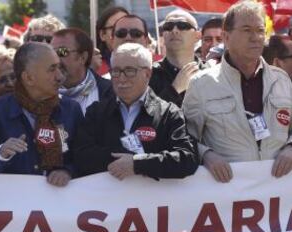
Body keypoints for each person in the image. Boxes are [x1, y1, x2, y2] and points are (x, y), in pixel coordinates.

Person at [183, 1, 292, 183]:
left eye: (259, 30)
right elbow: (184, 138)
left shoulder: (281, 80)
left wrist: (290, 148)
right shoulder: (201, 84)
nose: (256, 37)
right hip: (228, 196)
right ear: (226, 37)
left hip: (277, 196)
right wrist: (206, 155)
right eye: (247, 30)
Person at [74, 43, 198, 180]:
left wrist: (138, 163)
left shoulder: (169, 113)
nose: (121, 78)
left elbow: (187, 159)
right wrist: (123, 159)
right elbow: (81, 155)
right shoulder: (96, 112)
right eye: (115, 71)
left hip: (151, 200)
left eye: (129, 71)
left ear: (147, 74)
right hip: (106, 199)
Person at [0, 42, 83, 187]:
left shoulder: (71, 109)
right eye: (52, 69)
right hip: (13, 205)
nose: (60, 76)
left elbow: (84, 159)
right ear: (28, 78)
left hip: (60, 205)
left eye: (59, 67)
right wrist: (0, 153)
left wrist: (67, 171)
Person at [149, 9, 207, 108]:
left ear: (197, 36)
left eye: (183, 26)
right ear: (163, 35)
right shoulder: (148, 74)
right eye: (168, 27)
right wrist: (175, 89)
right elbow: (144, 118)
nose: (174, 30)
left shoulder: (211, 73)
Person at [51, 28, 115, 115]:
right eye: (51, 53)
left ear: (83, 57)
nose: (56, 59)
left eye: (62, 52)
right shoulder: (42, 93)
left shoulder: (111, 93)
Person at [96, 6, 129, 75]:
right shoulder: (93, 71)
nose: (125, 33)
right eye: (116, 27)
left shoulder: (151, 64)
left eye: (128, 27)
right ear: (102, 35)